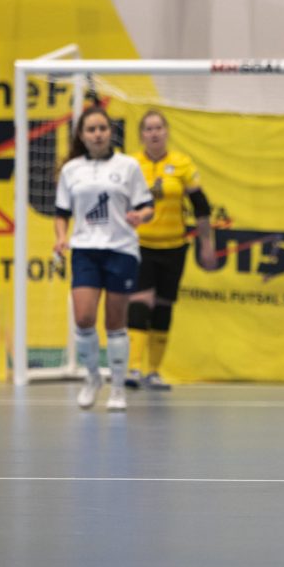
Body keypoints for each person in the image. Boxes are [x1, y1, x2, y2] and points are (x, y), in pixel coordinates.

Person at [54, 106, 154, 411]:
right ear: (82, 136)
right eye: (91, 130)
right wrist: (61, 237)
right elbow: (61, 213)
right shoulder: (71, 170)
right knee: (83, 318)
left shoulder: (128, 166)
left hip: (121, 248)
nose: (97, 134)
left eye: (102, 128)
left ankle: (119, 388)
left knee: (115, 322)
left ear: (110, 132)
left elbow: (147, 206)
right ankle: (93, 378)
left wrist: (141, 216)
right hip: (85, 249)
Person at [124, 110, 217, 391]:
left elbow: (200, 206)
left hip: (174, 246)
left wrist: (208, 245)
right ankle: (133, 368)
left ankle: (153, 371)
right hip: (140, 245)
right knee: (140, 302)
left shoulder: (181, 164)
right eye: (148, 129)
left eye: (158, 128)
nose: (154, 133)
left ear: (166, 132)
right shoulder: (131, 164)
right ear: (141, 135)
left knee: (163, 305)